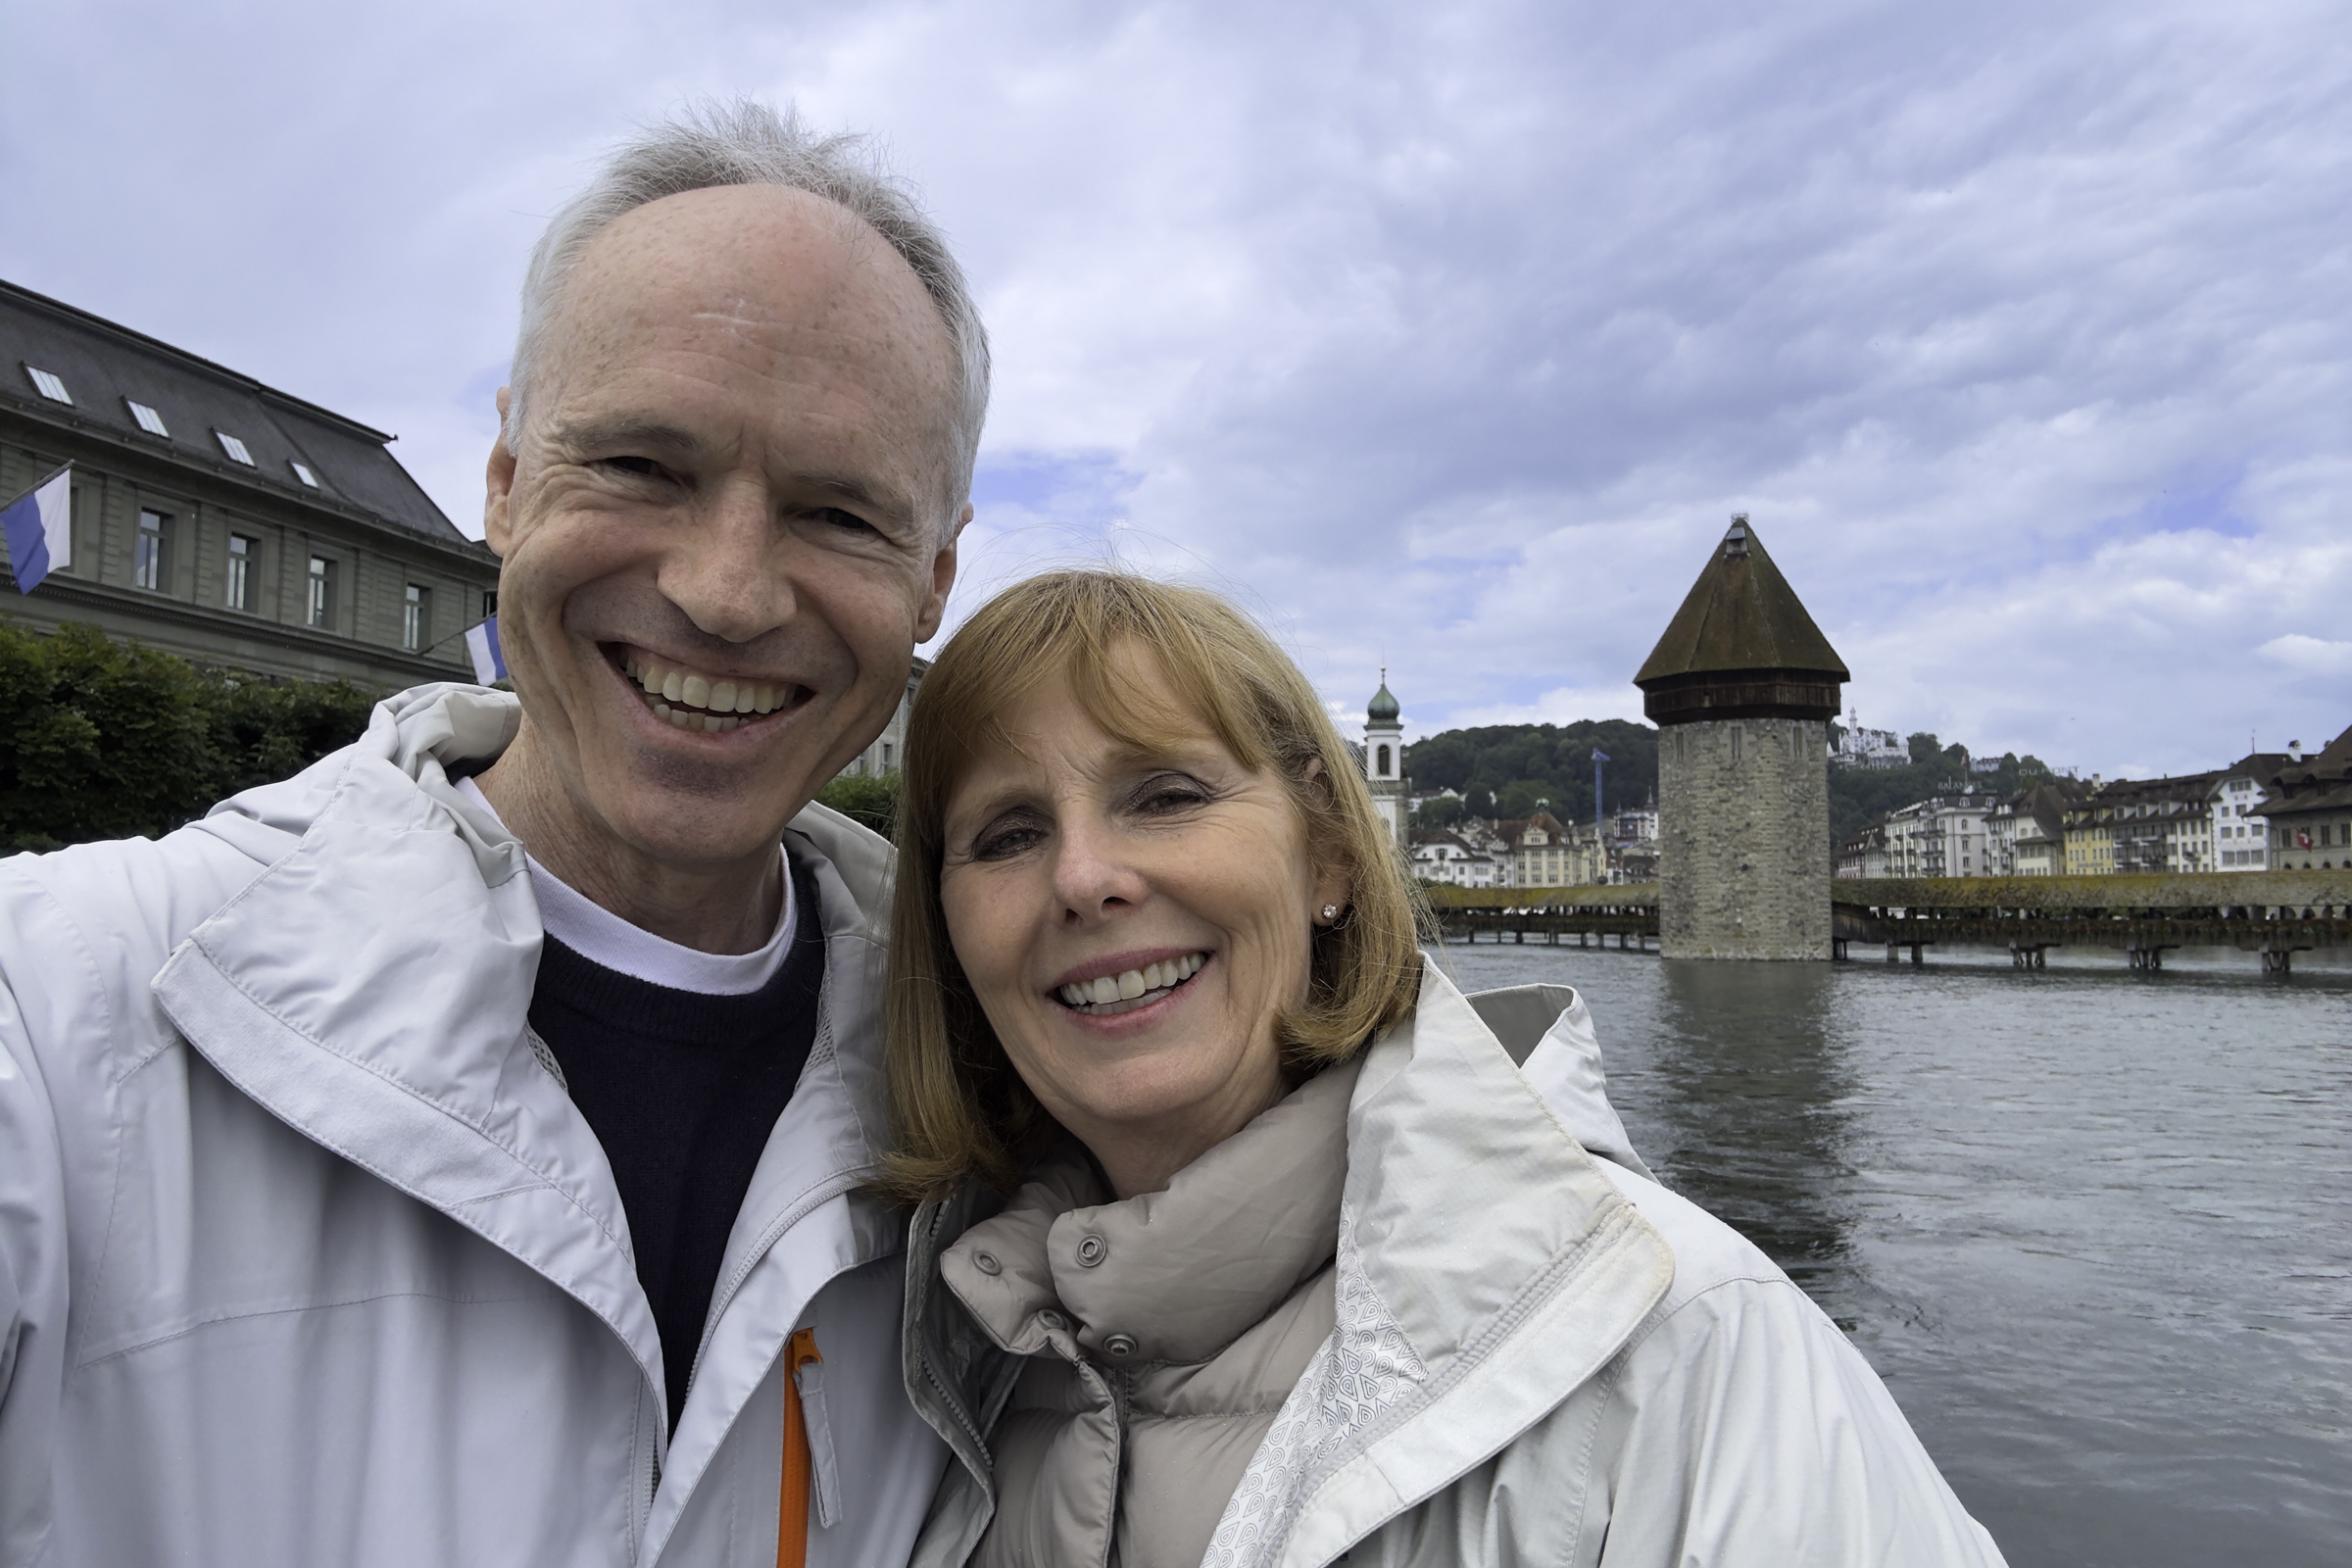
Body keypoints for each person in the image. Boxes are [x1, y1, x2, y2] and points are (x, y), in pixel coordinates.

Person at [0, 102, 982, 1566]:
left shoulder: (992, 1105)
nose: (725, 591)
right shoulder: (56, 1010)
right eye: (644, 465)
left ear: (932, 587)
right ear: (507, 489)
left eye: (839, 512)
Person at [880, 570, 2010, 1567]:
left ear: (1328, 854)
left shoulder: (1681, 1351)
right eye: (1009, 832)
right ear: (945, 922)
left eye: (1167, 796)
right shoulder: (933, 1346)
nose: (1085, 877)